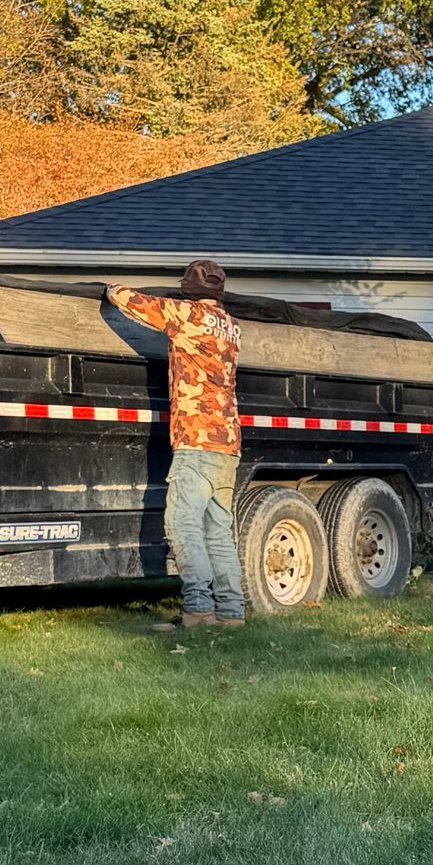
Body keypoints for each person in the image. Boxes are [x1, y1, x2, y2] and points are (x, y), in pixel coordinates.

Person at [106, 261, 246, 627]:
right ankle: (232, 613)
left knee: (183, 524)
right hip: (228, 442)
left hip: (195, 439)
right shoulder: (232, 327)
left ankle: (198, 609)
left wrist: (107, 287)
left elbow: (127, 299)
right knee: (218, 530)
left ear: (188, 289)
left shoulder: (186, 315)